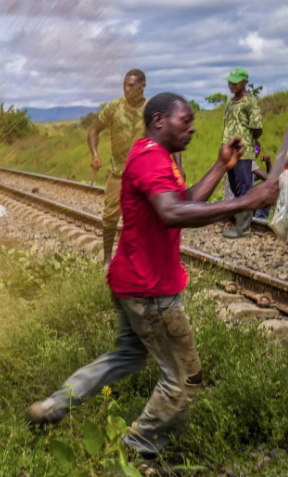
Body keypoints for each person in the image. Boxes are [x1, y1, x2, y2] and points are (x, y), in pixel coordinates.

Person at [27, 93, 279, 459]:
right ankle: (138, 449)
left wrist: (222, 165)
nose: (192, 128)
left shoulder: (156, 157)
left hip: (132, 280)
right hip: (150, 291)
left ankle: (53, 405)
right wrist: (246, 202)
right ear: (159, 121)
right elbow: (172, 213)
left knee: (126, 356)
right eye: (185, 121)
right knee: (184, 377)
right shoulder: (149, 158)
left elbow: (186, 200)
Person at [88, 69, 148, 268]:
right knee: (110, 215)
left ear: (142, 86)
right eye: (124, 85)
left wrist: (176, 165)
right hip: (117, 172)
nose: (126, 89)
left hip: (142, 174)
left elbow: (167, 135)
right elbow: (94, 130)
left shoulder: (151, 109)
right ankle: (107, 259)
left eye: (131, 86)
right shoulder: (114, 107)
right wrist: (95, 154)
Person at [221, 67, 263, 238]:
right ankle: (239, 222)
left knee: (245, 188)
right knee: (235, 187)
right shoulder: (230, 103)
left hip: (243, 153)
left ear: (245, 82)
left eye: (236, 82)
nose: (232, 85)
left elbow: (257, 128)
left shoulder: (249, 102)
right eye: (230, 81)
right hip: (229, 152)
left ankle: (243, 229)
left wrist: (248, 142)